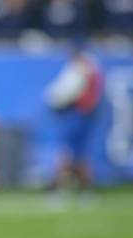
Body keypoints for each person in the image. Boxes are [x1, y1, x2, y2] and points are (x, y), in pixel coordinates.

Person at [46, 45, 103, 191]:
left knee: (67, 153)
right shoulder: (94, 69)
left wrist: (55, 101)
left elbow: (65, 93)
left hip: (77, 114)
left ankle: (61, 187)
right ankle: (85, 189)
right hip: (85, 115)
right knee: (81, 154)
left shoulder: (81, 69)